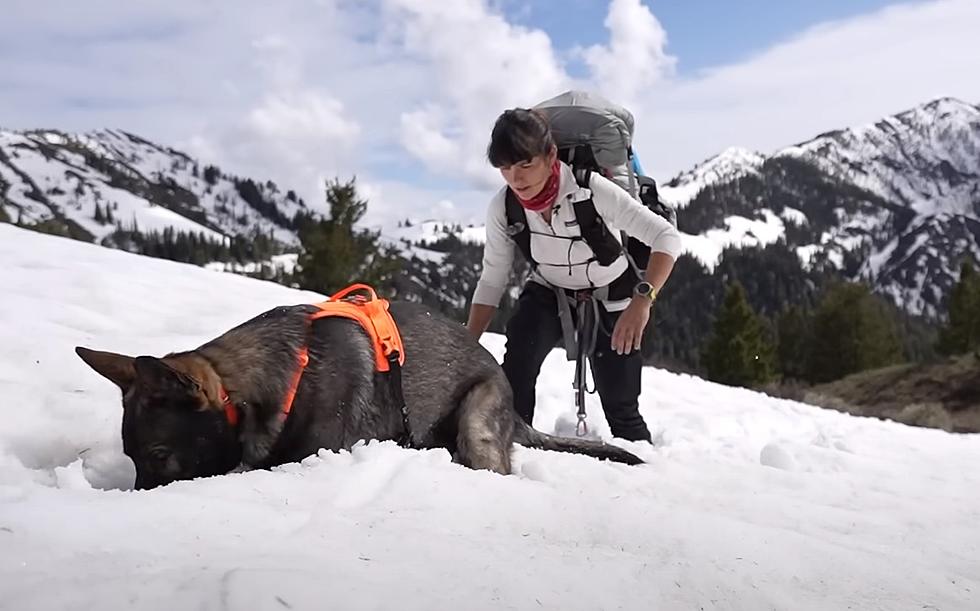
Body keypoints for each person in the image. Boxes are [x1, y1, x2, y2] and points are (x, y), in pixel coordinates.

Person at [466, 108, 682, 442]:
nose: (516, 179)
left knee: (621, 406)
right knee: (516, 370)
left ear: (551, 155)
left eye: (525, 164)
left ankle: (646, 470)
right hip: (550, 290)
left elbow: (666, 238)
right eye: (505, 168)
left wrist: (642, 301)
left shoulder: (592, 190)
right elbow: (493, 279)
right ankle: (513, 446)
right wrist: (466, 343)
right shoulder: (504, 206)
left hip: (614, 295)